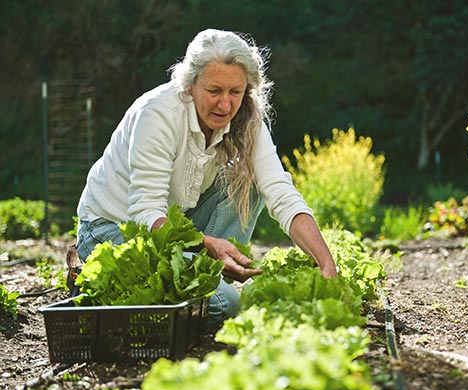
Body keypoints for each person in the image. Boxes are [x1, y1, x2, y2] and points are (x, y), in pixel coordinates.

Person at [74, 28, 338, 328]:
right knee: (227, 305)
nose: (225, 105)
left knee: (249, 182)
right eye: (214, 91)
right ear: (190, 85)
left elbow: (280, 191)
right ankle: (102, 281)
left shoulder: (247, 116)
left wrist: (326, 262)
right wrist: (205, 243)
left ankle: (211, 272)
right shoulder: (158, 114)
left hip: (176, 228)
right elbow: (145, 213)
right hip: (115, 229)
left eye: (235, 92)